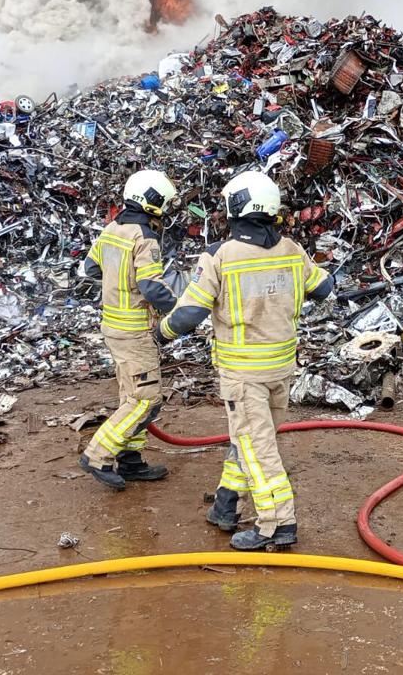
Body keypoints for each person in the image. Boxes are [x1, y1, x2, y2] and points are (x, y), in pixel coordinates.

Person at [156, 171, 334, 551]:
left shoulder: (221, 256)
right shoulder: (291, 250)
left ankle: (277, 524)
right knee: (251, 440)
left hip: (244, 373)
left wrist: (160, 332)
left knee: (259, 449)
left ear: (237, 207)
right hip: (282, 369)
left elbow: (188, 316)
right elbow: (323, 288)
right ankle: (227, 503)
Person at [78, 170, 181, 490]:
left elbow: (91, 268)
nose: (165, 210)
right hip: (135, 331)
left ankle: (131, 461)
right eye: (163, 203)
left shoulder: (112, 229)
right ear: (152, 201)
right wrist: (179, 309)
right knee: (145, 401)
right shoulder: (143, 237)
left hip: (112, 326)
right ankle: (97, 454)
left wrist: (117, 279)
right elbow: (152, 287)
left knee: (131, 396)